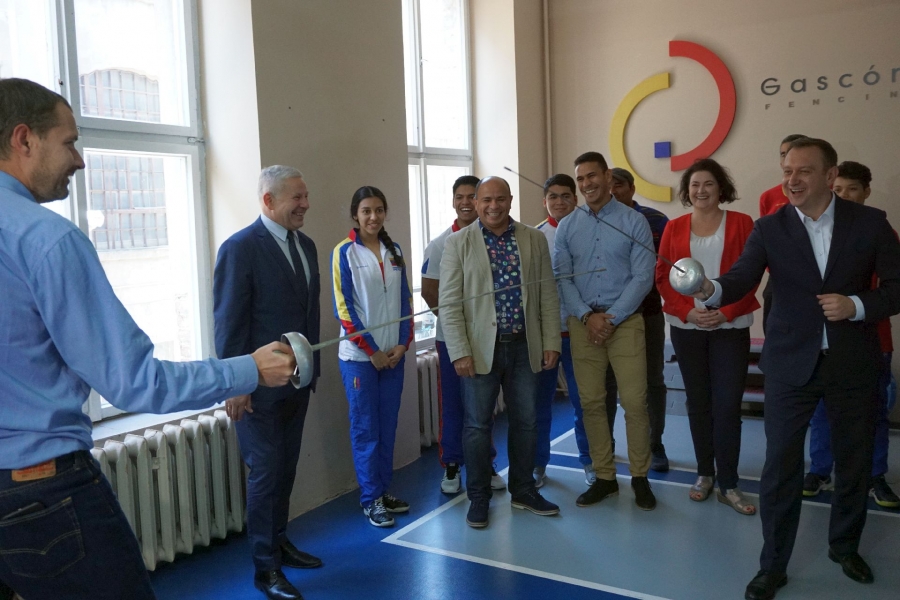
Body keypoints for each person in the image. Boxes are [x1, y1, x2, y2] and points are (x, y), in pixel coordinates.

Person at [0, 78, 295, 600]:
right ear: (24, 139)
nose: (79, 161)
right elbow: (136, 381)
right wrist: (249, 369)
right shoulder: (46, 240)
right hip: (44, 492)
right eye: (69, 143)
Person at [688, 138, 900, 599]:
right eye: (787, 171)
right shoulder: (770, 227)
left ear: (830, 175)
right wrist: (709, 288)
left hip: (852, 363)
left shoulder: (871, 223)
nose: (792, 179)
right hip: (789, 365)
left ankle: (844, 547)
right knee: (781, 468)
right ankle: (773, 564)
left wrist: (857, 305)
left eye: (803, 171)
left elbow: (897, 287)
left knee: (853, 463)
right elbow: (742, 277)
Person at [214, 165, 323, 600]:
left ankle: (278, 542)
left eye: (305, 195)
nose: (305, 204)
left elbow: (307, 315)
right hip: (256, 391)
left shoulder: (306, 245)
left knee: (285, 469)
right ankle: (265, 568)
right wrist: (235, 384)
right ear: (268, 200)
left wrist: (309, 371)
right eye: (297, 197)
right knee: (265, 474)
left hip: (297, 384)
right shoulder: (239, 249)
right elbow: (229, 325)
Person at [440, 176, 561, 529]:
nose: (494, 206)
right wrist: (459, 351)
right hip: (480, 350)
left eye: (500, 199)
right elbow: (450, 303)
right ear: (477, 203)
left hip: (524, 345)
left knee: (526, 421)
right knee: (477, 425)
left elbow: (547, 294)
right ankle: (479, 496)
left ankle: (523, 490)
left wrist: (551, 341)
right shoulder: (458, 243)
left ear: (510, 200)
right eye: (486, 200)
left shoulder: (533, 239)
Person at [555, 152, 657, 511]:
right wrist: (587, 316)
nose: (587, 184)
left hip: (625, 322)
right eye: (580, 179)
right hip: (583, 324)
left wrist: (611, 317)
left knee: (634, 402)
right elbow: (563, 278)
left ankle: (640, 477)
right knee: (591, 403)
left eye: (592, 176)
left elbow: (643, 276)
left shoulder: (634, 221)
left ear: (608, 176)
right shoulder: (568, 226)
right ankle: (605, 478)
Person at [656, 158, 759, 516]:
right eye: (695, 185)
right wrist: (687, 312)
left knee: (727, 406)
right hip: (688, 329)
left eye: (708, 184)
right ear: (688, 191)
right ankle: (705, 474)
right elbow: (662, 277)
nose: (701, 191)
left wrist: (726, 312)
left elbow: (751, 275)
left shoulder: (743, 223)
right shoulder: (674, 227)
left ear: (721, 188)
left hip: (730, 328)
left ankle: (729, 483)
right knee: (698, 403)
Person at [803, 161, 899, 508]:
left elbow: (892, 289)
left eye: (852, 189)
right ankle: (820, 470)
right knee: (821, 411)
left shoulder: (879, 230)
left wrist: (855, 305)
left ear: (866, 192)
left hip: (872, 339)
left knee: (873, 412)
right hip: (823, 341)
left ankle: (874, 475)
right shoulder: (817, 230)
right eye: (838, 189)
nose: (844, 196)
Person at [332, 186, 413, 528]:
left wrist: (403, 344)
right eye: (366, 211)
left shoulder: (394, 250)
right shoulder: (344, 252)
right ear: (355, 214)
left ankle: (382, 490)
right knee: (366, 430)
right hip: (360, 360)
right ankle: (370, 500)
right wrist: (372, 351)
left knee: (387, 425)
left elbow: (406, 301)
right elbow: (344, 310)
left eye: (379, 210)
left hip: (393, 357)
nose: (373, 217)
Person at [420, 175, 506, 495]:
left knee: (483, 406)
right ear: (453, 201)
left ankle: (485, 463)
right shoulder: (440, 244)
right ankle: (453, 463)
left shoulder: (496, 239)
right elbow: (430, 293)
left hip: (488, 339)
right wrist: (459, 330)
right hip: (450, 341)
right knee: (453, 404)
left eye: (472, 196)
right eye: (460, 197)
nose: (466, 202)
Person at [607, 167, 670, 472]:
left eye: (618, 185)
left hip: (648, 314)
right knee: (607, 383)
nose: (612, 192)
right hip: (606, 316)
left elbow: (666, 268)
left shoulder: (656, 220)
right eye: (608, 186)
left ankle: (654, 443)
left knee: (652, 380)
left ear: (632, 188)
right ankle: (605, 446)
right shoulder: (593, 221)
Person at [534, 173, 594, 488]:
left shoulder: (588, 231)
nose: (559, 202)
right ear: (544, 201)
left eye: (565, 196)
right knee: (539, 405)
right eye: (553, 196)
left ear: (575, 198)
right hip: (545, 336)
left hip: (580, 333)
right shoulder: (534, 237)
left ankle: (591, 462)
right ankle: (537, 464)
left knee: (585, 403)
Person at [758, 134, 806, 330]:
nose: (788, 158)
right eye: (783, 154)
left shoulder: (824, 193)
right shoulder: (768, 196)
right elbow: (765, 241)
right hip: (778, 277)